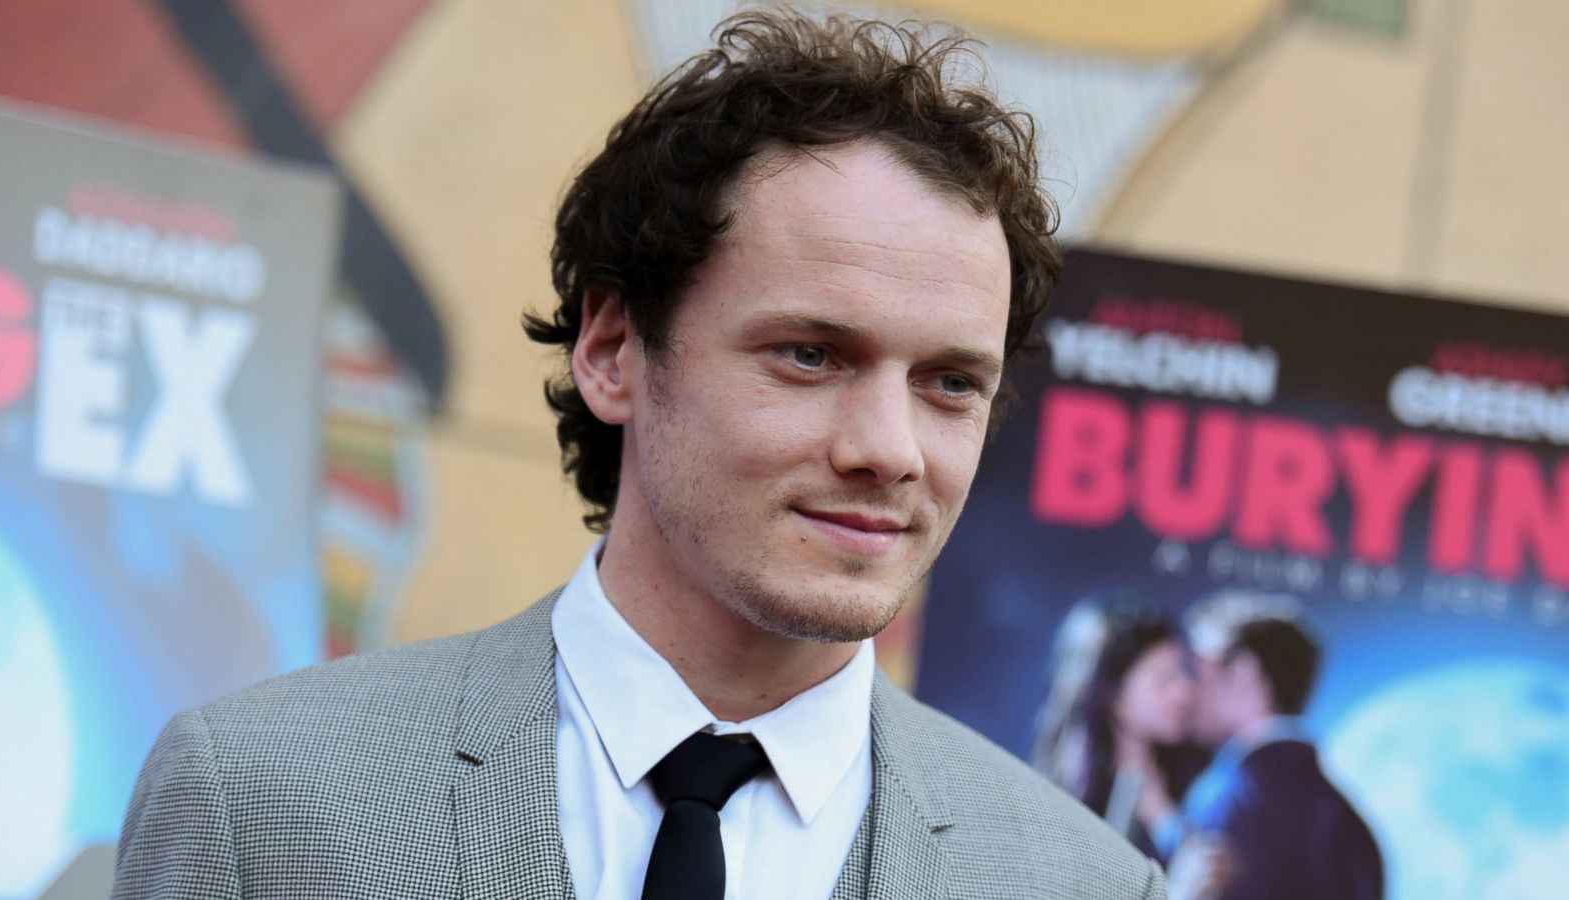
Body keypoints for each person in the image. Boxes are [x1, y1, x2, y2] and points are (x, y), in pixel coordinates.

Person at [112, 11, 1167, 900]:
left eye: (949, 384)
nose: (889, 451)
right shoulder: (261, 799)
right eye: (809, 355)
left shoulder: (1084, 886)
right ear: (613, 350)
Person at [1163, 593, 1383, 900]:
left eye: (1196, 670)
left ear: (1244, 671)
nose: (1184, 692)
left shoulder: (1225, 798)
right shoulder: (1351, 822)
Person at [1033, 594, 1197, 865]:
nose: (1184, 692)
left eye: (1183, 673)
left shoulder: (1196, 774)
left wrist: (1161, 815)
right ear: (1112, 692)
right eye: (1163, 680)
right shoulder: (1059, 790)